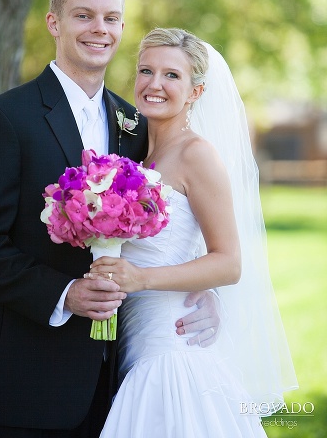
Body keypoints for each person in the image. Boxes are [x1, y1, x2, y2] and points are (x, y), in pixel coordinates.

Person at [0, 0, 220, 437]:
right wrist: (65, 295)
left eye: (112, 19)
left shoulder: (134, 125)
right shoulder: (3, 119)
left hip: (120, 380)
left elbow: (169, 217)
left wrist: (202, 287)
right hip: (27, 386)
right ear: (55, 23)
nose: (100, 29)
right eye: (84, 16)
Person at [89, 28, 297, 437]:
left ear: (195, 92)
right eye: (146, 70)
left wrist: (141, 278)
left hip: (171, 351)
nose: (154, 84)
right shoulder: (132, 156)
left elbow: (229, 261)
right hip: (130, 344)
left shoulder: (196, 154)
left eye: (172, 75)